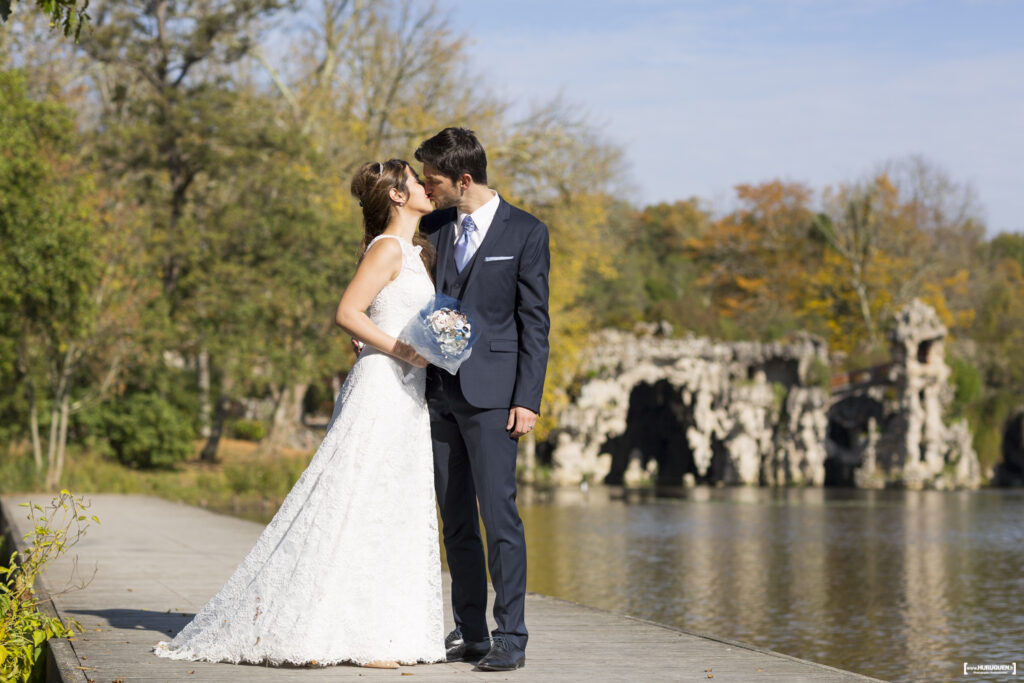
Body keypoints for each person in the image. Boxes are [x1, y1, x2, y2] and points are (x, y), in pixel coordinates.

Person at [153, 160, 444, 669]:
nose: (425, 184)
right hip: (381, 386)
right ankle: (343, 631)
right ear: (398, 196)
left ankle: (380, 633)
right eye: (416, 180)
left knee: (389, 505)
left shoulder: (417, 252)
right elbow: (347, 312)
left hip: (408, 392)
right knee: (355, 499)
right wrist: (398, 348)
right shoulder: (387, 248)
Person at [416, 127, 550, 672]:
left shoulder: (527, 231)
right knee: (455, 520)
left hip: (496, 396)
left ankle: (510, 636)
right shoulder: (434, 227)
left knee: (499, 517)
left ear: (464, 180)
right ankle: (470, 631)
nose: (427, 188)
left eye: (433, 180)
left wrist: (528, 399)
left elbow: (534, 322)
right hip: (438, 392)